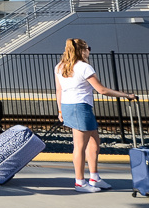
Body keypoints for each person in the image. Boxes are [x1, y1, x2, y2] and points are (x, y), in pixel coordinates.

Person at [55, 38, 137, 192]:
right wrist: (126, 95)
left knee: (94, 142)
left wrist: (60, 111)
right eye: (88, 48)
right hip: (80, 107)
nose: (89, 51)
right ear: (82, 50)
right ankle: (80, 182)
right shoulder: (84, 67)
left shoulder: (60, 66)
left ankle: (94, 178)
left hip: (70, 106)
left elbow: (59, 90)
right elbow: (102, 90)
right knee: (79, 147)